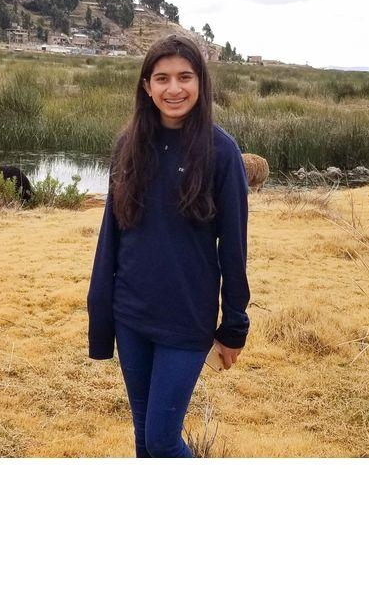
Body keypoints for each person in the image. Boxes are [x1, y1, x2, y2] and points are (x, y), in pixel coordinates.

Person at [86, 33, 251, 457]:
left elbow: (233, 247)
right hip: (131, 315)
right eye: (162, 78)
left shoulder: (222, 152)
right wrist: (101, 311)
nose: (173, 88)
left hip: (185, 320)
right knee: (144, 436)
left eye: (185, 77)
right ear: (146, 86)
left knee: (162, 438)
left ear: (201, 83)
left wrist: (234, 323)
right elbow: (113, 235)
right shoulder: (128, 147)